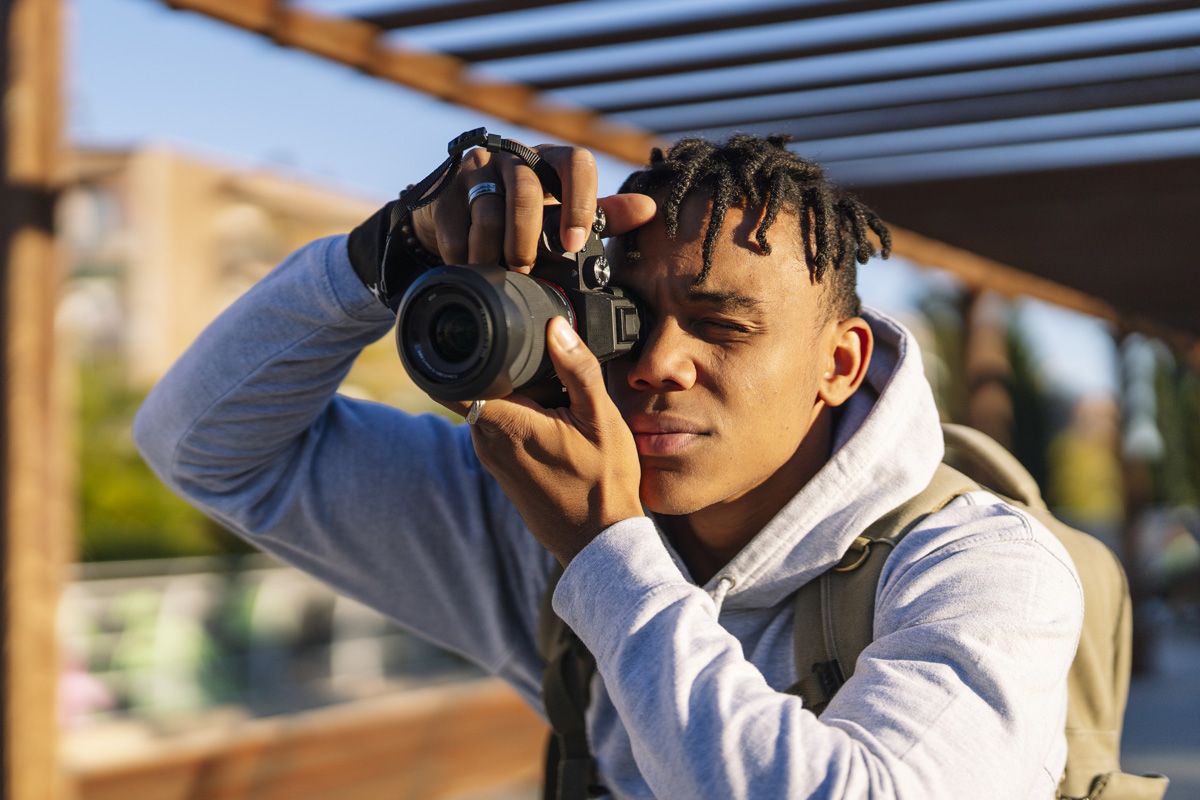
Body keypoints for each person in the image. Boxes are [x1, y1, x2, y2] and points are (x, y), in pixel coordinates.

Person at [135, 134, 1083, 798]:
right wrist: (379, 258)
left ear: (841, 364)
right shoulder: (534, 518)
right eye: (625, 321)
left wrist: (609, 559)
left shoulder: (980, 568)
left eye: (721, 326)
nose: (658, 364)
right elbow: (202, 448)